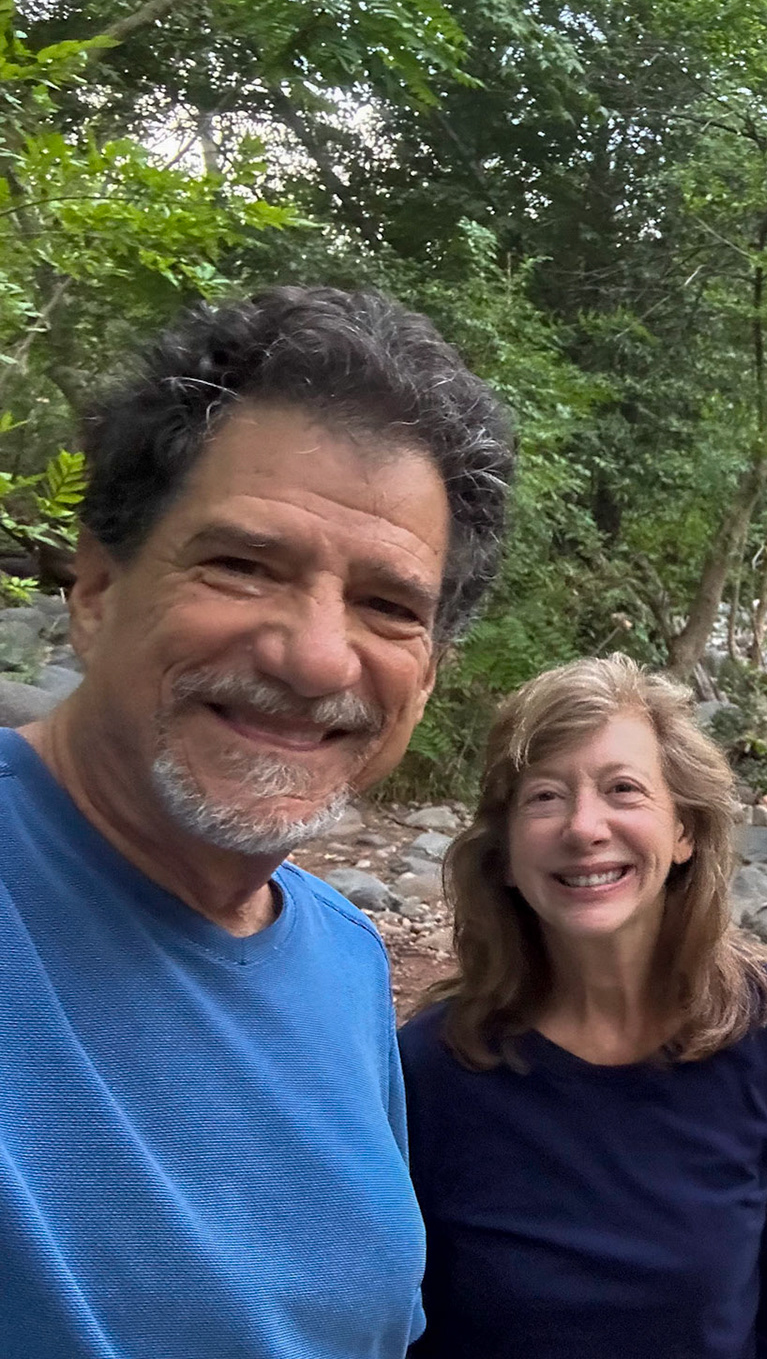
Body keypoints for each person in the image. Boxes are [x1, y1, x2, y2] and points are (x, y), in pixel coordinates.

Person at [0, 286, 516, 1358]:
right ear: (96, 587)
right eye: (242, 565)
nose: (317, 658)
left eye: (388, 607)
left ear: (428, 674)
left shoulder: (346, 958)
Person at [399, 655, 767, 1358]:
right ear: (507, 854)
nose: (584, 827)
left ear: (685, 832)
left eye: (623, 789)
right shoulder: (431, 1066)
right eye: (545, 796)